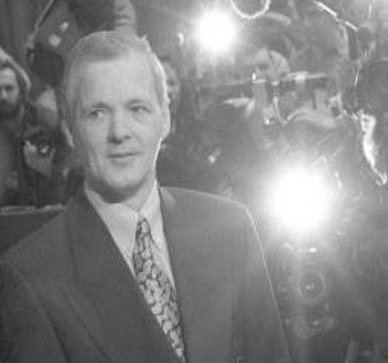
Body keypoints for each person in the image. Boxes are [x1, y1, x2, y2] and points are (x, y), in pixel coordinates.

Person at [0, 30, 291, 363]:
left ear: (165, 118)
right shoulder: (29, 276)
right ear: (69, 129)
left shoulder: (230, 227)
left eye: (137, 108)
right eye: (97, 113)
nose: (119, 132)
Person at [0, 48, 65, 206]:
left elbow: (70, 176)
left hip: (49, 210)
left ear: (21, 90)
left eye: (9, 88)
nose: (3, 96)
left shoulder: (47, 121)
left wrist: (45, 169)